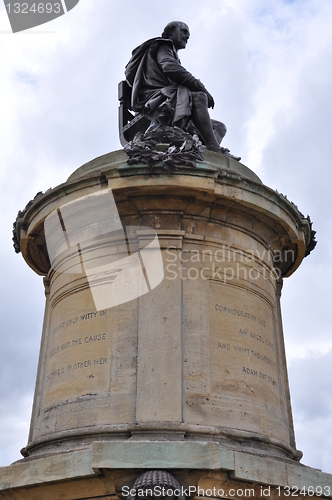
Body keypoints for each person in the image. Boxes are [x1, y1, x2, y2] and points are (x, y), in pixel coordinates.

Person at [125, 21, 239, 158]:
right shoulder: (163, 45)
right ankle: (215, 149)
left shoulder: (171, 51)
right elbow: (169, 67)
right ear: (171, 31)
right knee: (199, 97)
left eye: (188, 33)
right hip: (156, 98)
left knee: (219, 127)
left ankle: (205, 154)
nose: (187, 36)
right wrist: (199, 86)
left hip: (172, 98)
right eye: (184, 31)